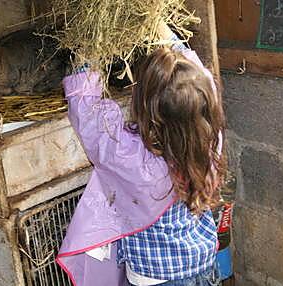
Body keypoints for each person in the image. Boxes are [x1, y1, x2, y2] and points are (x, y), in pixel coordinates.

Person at [56, 23, 226, 286]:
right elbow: (200, 83)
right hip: (203, 266)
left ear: (146, 108)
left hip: (155, 279)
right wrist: (162, 29)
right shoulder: (209, 139)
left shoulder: (135, 160)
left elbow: (91, 120)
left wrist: (89, 47)